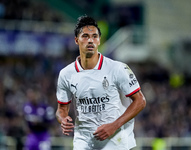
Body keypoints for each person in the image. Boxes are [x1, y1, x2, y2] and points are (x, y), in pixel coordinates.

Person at [56, 15, 146, 150]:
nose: (90, 40)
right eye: (85, 36)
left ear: (99, 41)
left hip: (114, 139)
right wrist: (63, 119)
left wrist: (114, 125)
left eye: (95, 36)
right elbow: (61, 110)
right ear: (76, 40)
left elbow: (140, 101)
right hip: (83, 139)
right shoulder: (66, 74)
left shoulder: (117, 68)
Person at [23, 85, 55, 150]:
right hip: (32, 135)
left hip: (43, 134)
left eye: (32, 94)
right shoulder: (27, 106)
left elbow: (50, 123)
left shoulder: (45, 107)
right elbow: (24, 119)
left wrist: (39, 122)